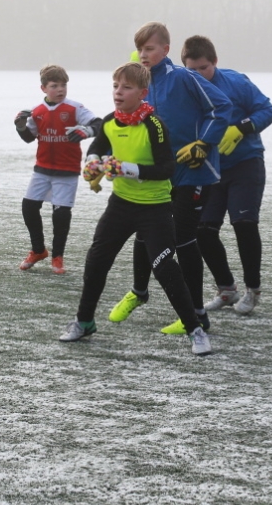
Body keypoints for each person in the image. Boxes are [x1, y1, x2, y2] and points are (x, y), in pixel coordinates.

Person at [58, 62, 212, 356]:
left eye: (126, 87)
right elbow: (97, 147)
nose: (118, 92)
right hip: (121, 205)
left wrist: (127, 168)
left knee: (165, 268)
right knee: (96, 261)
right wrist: (92, 163)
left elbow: (166, 168)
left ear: (143, 93)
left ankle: (195, 329)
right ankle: (84, 321)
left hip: (154, 208)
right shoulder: (108, 121)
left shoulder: (154, 125)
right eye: (116, 86)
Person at [107, 22, 232, 333]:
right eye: (140, 48)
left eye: (150, 48)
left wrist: (203, 142)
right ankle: (139, 292)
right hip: (160, 176)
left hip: (193, 174)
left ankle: (198, 315)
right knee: (144, 231)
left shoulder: (183, 77)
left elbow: (222, 107)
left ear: (165, 49)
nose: (144, 54)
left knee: (185, 241)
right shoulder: (143, 84)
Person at [180, 36, 272, 316]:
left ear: (215, 62)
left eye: (204, 68)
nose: (199, 75)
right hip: (209, 169)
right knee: (202, 231)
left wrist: (242, 129)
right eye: (192, 70)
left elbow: (267, 110)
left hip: (246, 164)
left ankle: (253, 290)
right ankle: (226, 289)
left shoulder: (236, 82)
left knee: (244, 224)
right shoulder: (183, 89)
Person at [13, 64, 102, 275]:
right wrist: (20, 126)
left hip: (67, 171)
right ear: (43, 88)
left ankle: (57, 257)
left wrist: (86, 130)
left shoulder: (75, 108)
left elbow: (99, 124)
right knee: (28, 207)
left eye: (63, 85)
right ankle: (38, 250)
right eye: (55, 86)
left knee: (60, 214)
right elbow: (28, 138)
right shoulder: (37, 112)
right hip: (42, 170)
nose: (60, 89)